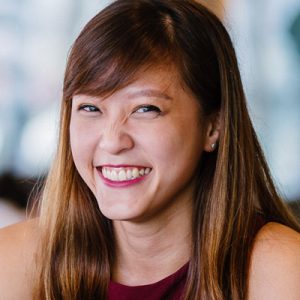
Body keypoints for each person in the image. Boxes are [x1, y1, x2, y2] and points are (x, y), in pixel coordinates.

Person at [0, 1, 300, 299]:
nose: (112, 141)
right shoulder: (16, 263)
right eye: (90, 108)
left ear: (213, 126)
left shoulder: (281, 271)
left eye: (146, 109)